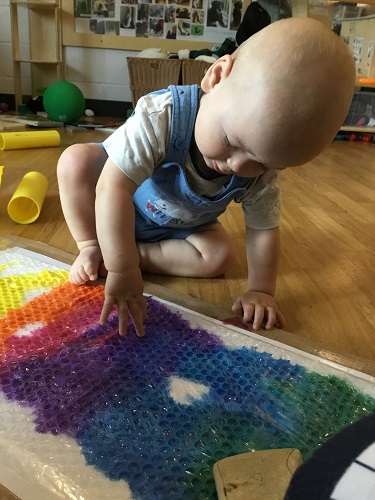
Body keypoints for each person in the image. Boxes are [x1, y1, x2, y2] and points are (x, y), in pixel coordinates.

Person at [57, 18, 355, 338]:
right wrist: (121, 269)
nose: (237, 166)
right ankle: (91, 245)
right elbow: (112, 187)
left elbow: (263, 230)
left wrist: (261, 291)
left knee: (219, 256)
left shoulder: (261, 169)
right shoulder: (163, 115)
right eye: (231, 141)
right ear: (215, 77)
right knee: (76, 162)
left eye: (261, 163)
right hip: (117, 203)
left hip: (179, 227)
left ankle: (133, 251)